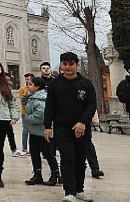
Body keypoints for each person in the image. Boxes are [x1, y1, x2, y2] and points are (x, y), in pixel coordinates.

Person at [44, 52, 96, 202]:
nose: (67, 67)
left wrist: (83, 122)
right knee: (67, 158)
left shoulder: (86, 83)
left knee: (80, 160)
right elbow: (50, 106)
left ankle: (79, 189)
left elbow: (92, 105)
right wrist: (48, 126)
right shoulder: (55, 84)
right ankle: (69, 192)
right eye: (64, 64)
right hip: (62, 128)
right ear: (61, 65)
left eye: (71, 64)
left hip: (82, 128)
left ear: (76, 65)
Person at [23, 77, 59, 186]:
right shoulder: (32, 97)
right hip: (33, 131)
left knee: (48, 154)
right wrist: (27, 96)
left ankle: (55, 174)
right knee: (34, 153)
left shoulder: (41, 98)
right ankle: (37, 174)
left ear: (37, 87)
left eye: (30, 84)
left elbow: (40, 116)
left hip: (42, 131)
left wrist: (27, 118)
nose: (28, 86)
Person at [20, 73, 34, 154]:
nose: (27, 81)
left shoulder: (35, 88)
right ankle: (24, 147)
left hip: (33, 112)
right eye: (26, 79)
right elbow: (23, 101)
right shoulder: (22, 89)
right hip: (25, 112)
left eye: (28, 79)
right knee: (25, 130)